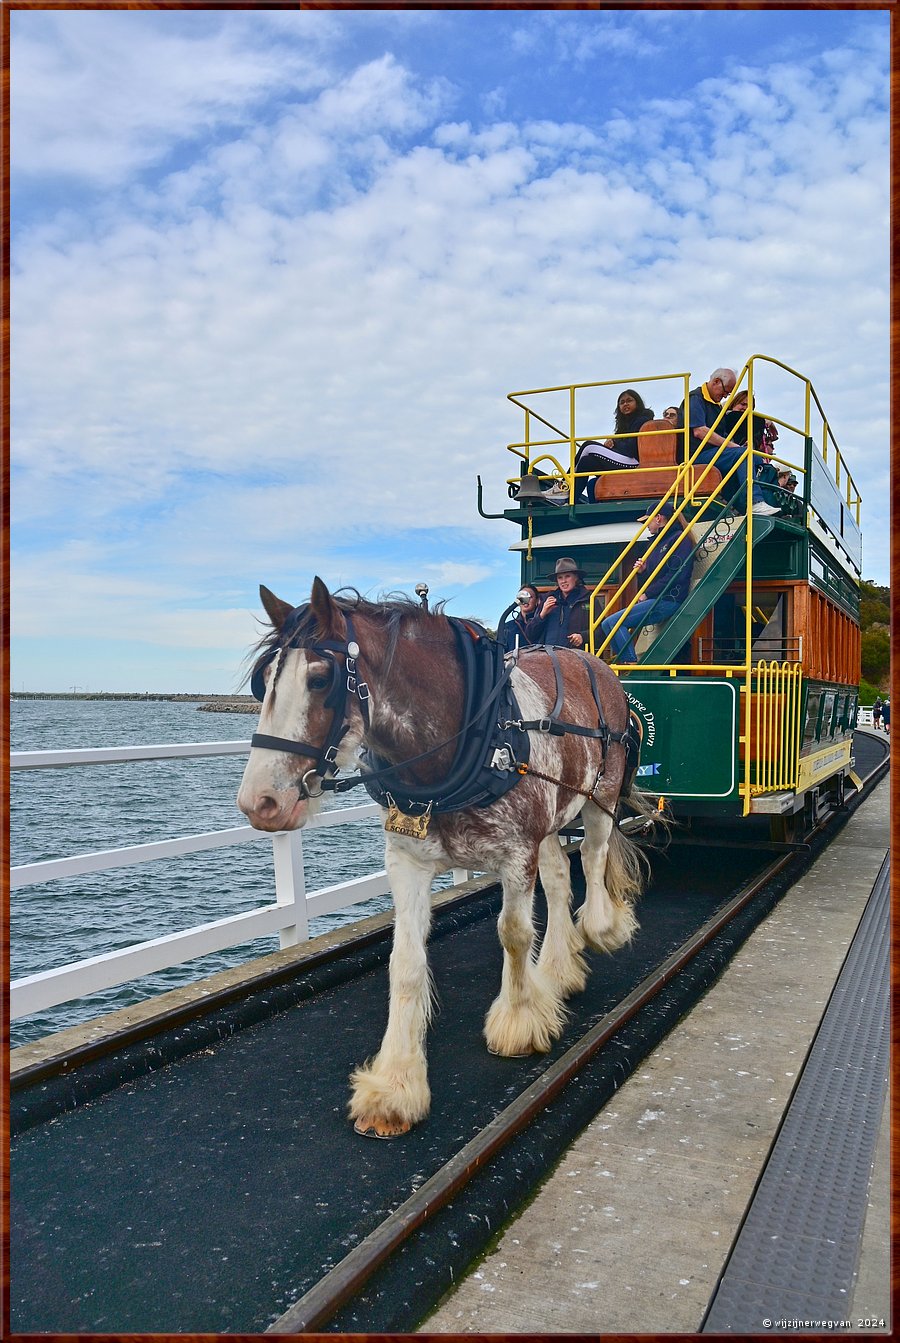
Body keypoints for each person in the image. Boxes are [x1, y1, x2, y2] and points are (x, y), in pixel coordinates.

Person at [598, 502, 695, 662]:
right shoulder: (657, 542)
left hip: (669, 599)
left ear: (658, 518)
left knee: (614, 623)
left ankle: (630, 662)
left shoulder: (678, 539)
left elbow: (678, 574)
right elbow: (657, 576)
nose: (645, 525)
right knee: (607, 623)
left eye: (647, 521)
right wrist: (643, 570)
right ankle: (627, 662)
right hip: (658, 598)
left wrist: (647, 593)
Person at [673, 368, 772, 514]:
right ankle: (755, 502)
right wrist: (732, 446)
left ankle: (756, 506)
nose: (726, 396)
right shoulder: (695, 398)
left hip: (713, 454)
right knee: (742, 455)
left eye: (729, 394)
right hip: (695, 456)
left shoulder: (716, 405)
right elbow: (699, 431)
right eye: (726, 392)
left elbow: (723, 431)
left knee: (757, 458)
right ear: (716, 382)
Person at [574, 388, 655, 497]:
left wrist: (614, 442)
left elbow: (631, 449)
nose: (625, 404)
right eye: (622, 402)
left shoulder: (642, 420)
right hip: (624, 460)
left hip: (635, 462)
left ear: (637, 402)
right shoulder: (623, 425)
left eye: (629, 400)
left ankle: (562, 485)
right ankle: (570, 497)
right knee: (586, 462)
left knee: (588, 446)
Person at [526, 557, 590, 648]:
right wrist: (542, 614)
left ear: (576, 577)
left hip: (575, 658)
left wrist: (583, 637)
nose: (563, 581)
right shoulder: (547, 599)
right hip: (548, 657)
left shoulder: (588, 599)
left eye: (567, 576)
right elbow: (530, 635)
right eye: (560, 578)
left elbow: (601, 631)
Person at [497, 584, 541, 652]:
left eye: (530, 597)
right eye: (522, 597)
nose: (526, 600)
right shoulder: (508, 626)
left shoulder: (543, 623)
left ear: (537, 600)